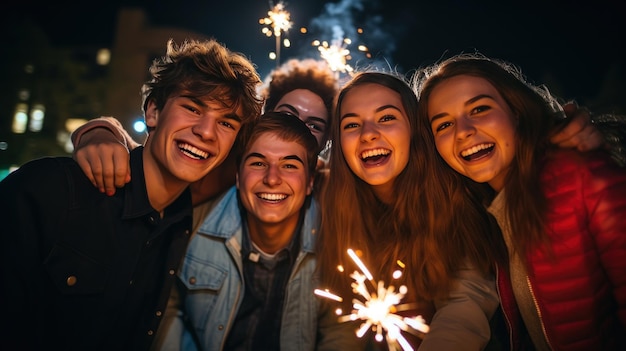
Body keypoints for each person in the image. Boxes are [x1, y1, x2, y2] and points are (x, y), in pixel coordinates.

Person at [0, 38, 262, 351]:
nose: (206, 132)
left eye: (226, 122)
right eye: (193, 107)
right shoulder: (50, 190)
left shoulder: (183, 225)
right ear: (153, 111)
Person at [413, 53, 626, 350]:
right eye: (444, 125)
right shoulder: (483, 210)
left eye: (479, 109)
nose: (463, 131)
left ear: (516, 111)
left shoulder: (581, 176)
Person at [316, 70, 505, 350]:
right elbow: (343, 321)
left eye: (386, 118)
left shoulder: (453, 193)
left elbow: (465, 305)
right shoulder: (332, 207)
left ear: (414, 129)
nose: (368, 134)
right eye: (352, 125)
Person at [154, 111, 355, 350]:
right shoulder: (193, 225)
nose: (272, 179)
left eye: (289, 165)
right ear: (238, 177)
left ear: (310, 182)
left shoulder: (337, 242)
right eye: (258, 163)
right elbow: (166, 308)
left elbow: (340, 330)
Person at [70, 58, 339, 204]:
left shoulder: (331, 185)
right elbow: (145, 158)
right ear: (263, 119)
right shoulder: (227, 164)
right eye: (287, 115)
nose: (298, 129)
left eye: (314, 125)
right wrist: (102, 130)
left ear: (326, 141)